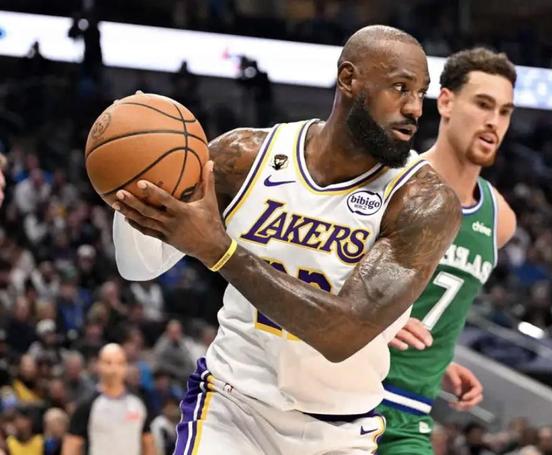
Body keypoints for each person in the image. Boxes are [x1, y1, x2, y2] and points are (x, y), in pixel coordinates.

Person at [112, 25, 462, 454]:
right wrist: (133, 185)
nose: (415, 109)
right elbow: (139, 265)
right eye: (400, 88)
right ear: (349, 79)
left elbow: (343, 333)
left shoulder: (422, 201)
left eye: (421, 93)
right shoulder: (246, 157)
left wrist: (219, 251)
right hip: (233, 406)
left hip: (338, 430)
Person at [378, 47, 518, 454]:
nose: (494, 121)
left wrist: (440, 363)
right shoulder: (392, 181)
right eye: (483, 104)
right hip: (346, 394)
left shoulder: (500, 219)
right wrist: (375, 323)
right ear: (445, 102)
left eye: (505, 112)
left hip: (411, 414)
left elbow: (434, 304)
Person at [62, 343, 155, 455]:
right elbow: (71, 446)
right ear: (99, 365)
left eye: (120, 363)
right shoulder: (87, 406)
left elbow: (148, 443)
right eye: (108, 363)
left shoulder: (138, 404)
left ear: (125, 366)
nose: (114, 369)